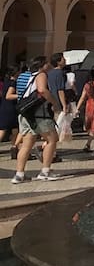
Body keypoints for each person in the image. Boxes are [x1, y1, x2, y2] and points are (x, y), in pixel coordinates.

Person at [13, 56, 62, 184]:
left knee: (26, 145)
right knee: (52, 139)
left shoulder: (28, 76)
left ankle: (19, 174)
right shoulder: (41, 75)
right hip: (39, 114)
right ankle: (45, 171)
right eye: (46, 63)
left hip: (26, 114)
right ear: (42, 65)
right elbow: (42, 90)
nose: (49, 65)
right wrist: (54, 102)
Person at [0, 67, 19, 149]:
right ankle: (14, 147)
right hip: (10, 108)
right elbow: (9, 96)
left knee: (14, 129)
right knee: (4, 129)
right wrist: (20, 96)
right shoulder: (13, 83)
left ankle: (15, 147)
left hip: (4, 106)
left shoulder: (6, 82)